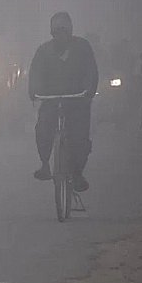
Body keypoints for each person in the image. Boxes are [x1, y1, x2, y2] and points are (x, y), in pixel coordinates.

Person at [28, 12, 98, 192]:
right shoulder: (43, 51)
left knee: (80, 137)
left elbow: (91, 71)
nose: (61, 34)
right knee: (43, 128)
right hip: (51, 100)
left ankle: (77, 174)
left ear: (70, 30)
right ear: (52, 32)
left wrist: (89, 90)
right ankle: (45, 164)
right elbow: (35, 73)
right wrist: (34, 91)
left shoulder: (82, 47)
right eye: (57, 30)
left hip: (77, 100)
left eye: (64, 29)